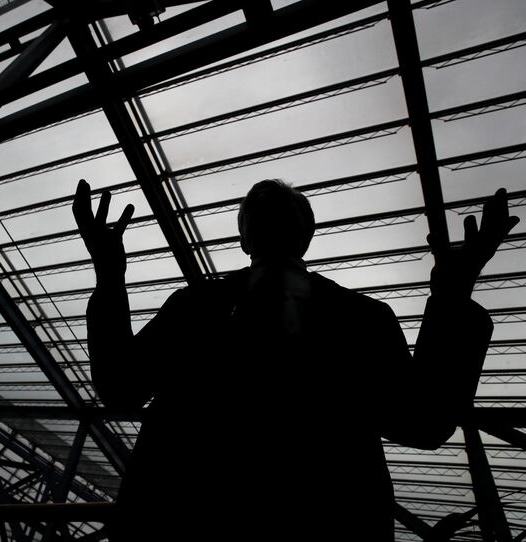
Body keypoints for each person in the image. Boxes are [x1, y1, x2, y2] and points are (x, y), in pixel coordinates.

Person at [72, 178, 519, 541]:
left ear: (243, 235)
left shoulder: (193, 307)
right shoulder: (363, 318)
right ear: (304, 236)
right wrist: (453, 295)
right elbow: (422, 420)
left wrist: (111, 277)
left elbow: (119, 385)